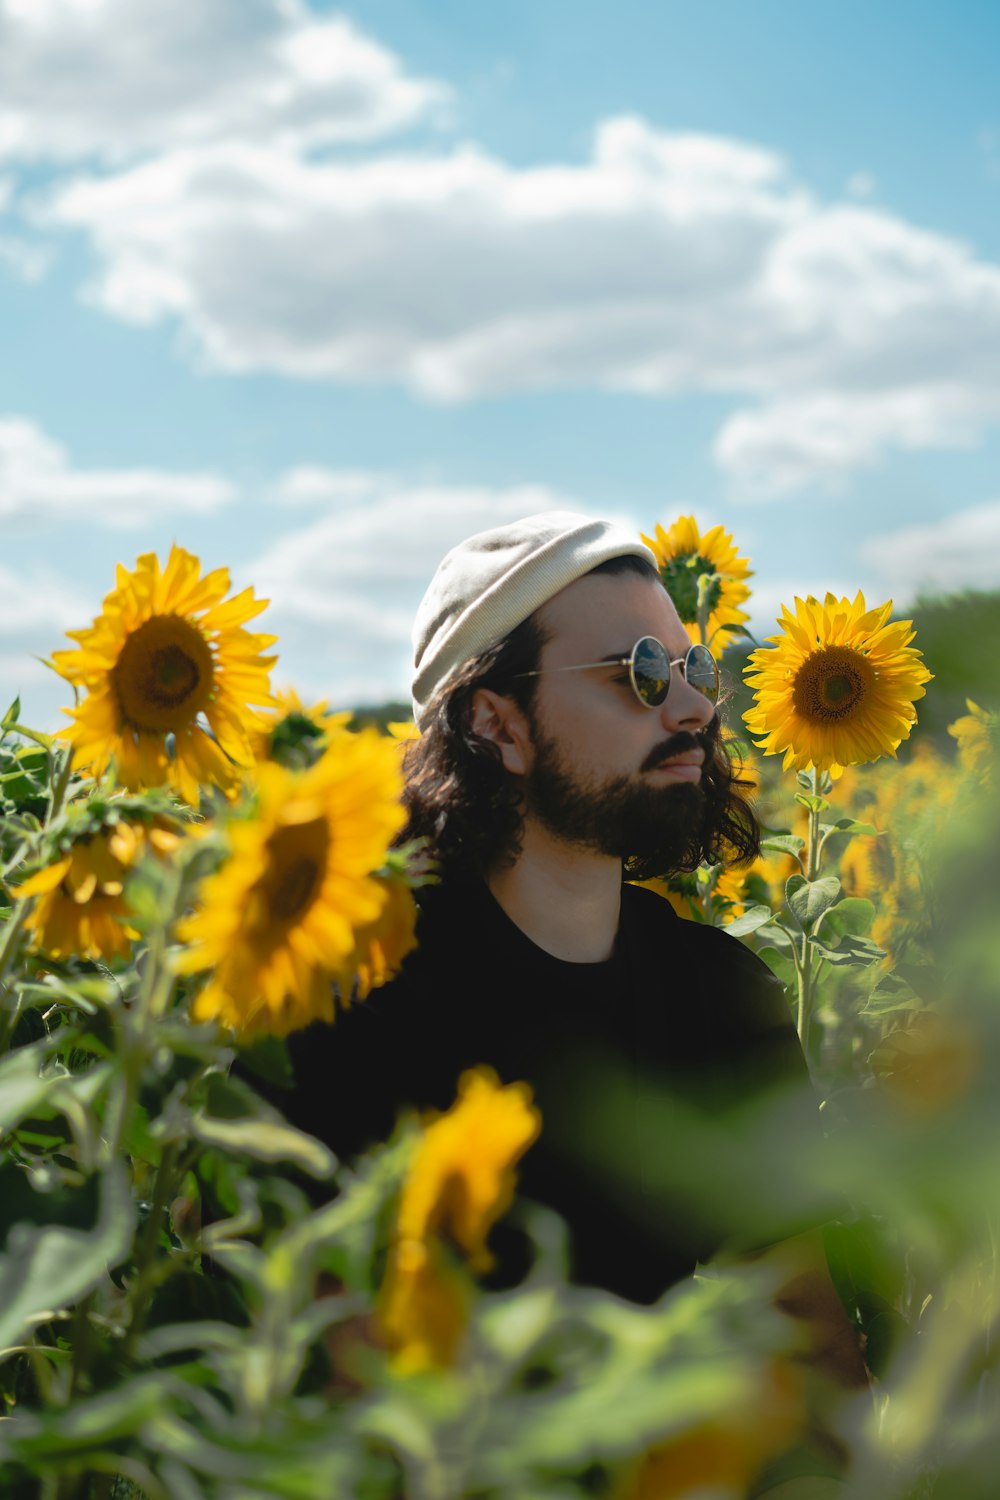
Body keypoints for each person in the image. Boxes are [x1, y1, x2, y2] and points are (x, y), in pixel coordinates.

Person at [283, 512, 864, 1490]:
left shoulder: (718, 989)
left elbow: (810, 1337)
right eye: (636, 672)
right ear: (497, 725)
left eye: (690, 670)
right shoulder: (360, 996)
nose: (688, 710)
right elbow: (354, 1394)